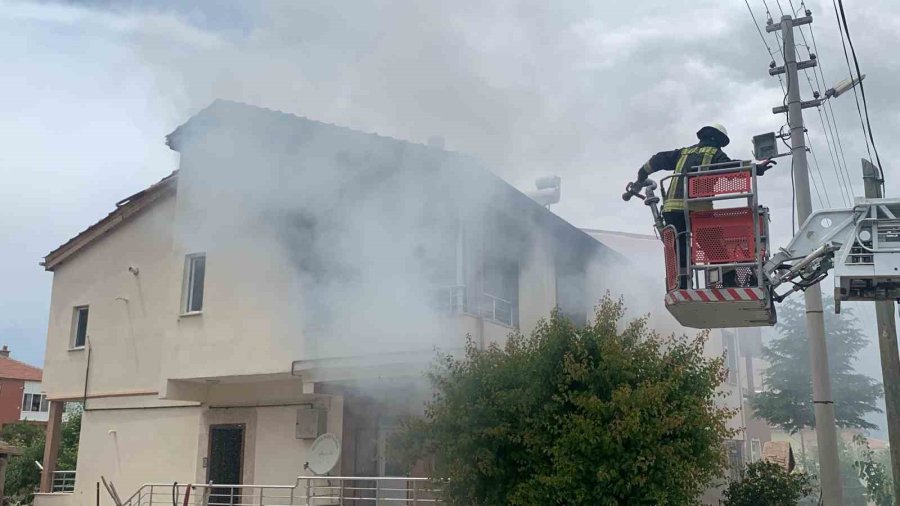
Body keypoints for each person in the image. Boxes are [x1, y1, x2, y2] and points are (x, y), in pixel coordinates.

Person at [630, 124, 775, 288]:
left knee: (681, 246)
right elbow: (731, 167)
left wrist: (642, 174)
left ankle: (683, 283)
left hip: (672, 210)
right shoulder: (715, 153)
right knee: (713, 245)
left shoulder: (683, 152)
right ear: (719, 140)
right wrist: (757, 169)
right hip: (698, 211)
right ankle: (728, 280)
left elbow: (658, 159)